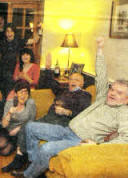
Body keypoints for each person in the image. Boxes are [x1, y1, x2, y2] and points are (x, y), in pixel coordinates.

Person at [11, 37, 128, 178]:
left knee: (46, 148)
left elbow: (125, 139)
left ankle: (28, 175)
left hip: (78, 140)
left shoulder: (123, 113)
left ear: (126, 99)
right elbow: (101, 76)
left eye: (119, 92)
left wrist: (97, 146)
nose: (113, 93)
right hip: (67, 129)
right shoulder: (103, 98)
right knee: (30, 127)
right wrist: (100, 50)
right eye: (112, 89)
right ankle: (35, 165)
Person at [4, 55, 92, 172]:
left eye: (76, 80)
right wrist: (48, 67)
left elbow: (83, 113)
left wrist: (67, 111)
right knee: (25, 127)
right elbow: (50, 82)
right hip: (48, 118)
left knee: (26, 127)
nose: (72, 82)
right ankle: (26, 161)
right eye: (71, 79)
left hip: (61, 123)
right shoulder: (64, 90)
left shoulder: (85, 95)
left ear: (82, 83)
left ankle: (21, 161)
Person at [0, 80, 36, 157]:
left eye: (26, 92)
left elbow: (32, 121)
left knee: (5, 151)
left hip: (19, 133)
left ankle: (14, 144)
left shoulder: (30, 103)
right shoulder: (10, 103)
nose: (23, 95)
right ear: (16, 94)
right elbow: (4, 125)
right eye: (21, 92)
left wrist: (19, 128)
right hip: (6, 130)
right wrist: (9, 113)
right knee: (0, 144)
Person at [0, 23, 25, 99]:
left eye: (11, 31)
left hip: (14, 69)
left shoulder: (18, 41)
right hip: (4, 69)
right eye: (7, 31)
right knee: (3, 91)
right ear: (5, 33)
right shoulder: (2, 42)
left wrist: (39, 29)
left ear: (14, 32)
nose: (9, 33)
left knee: (12, 91)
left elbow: (34, 40)